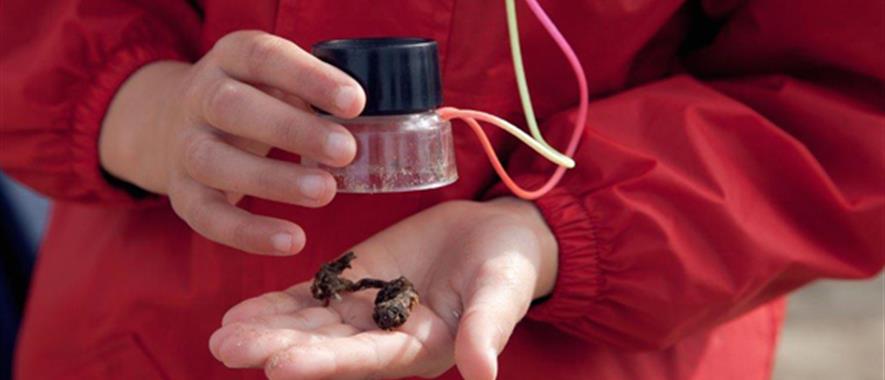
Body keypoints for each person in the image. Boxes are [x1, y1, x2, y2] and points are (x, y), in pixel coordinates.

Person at [1, 1, 882, 379]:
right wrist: (141, 110)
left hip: (599, 330)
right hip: (152, 331)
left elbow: (847, 102)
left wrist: (548, 235)